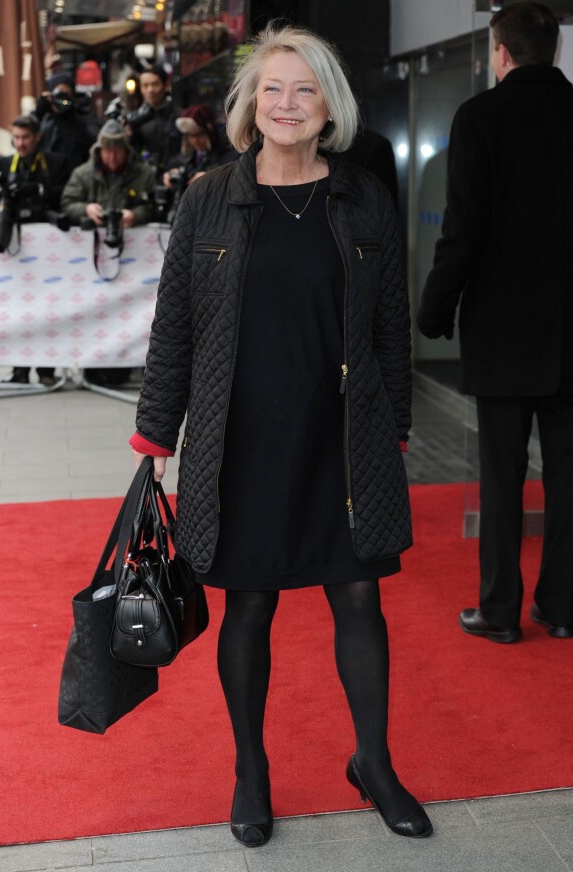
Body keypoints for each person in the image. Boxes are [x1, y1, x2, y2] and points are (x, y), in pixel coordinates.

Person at [130, 23, 433, 847]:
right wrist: (156, 432)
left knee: (360, 596)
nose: (288, 103)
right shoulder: (209, 196)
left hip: (343, 429)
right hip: (243, 434)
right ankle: (250, 770)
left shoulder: (363, 193)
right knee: (250, 605)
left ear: (327, 102)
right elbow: (175, 327)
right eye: (273, 89)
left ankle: (372, 761)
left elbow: (387, 327)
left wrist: (396, 422)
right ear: (250, 106)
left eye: (304, 89)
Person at [417, 2, 573, 643]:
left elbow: (464, 231)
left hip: (502, 330)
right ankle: (562, 609)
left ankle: (500, 612)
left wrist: (434, 309)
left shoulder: (479, 118)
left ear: (501, 52)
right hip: (571, 333)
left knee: (501, 475)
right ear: (554, 51)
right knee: (568, 477)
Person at [61, 119, 156, 388]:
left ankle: (133, 362)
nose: (112, 156)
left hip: (135, 261)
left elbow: (156, 206)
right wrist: (86, 209)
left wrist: (135, 215)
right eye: (107, 150)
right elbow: (67, 202)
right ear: (99, 150)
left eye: (118, 151)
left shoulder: (142, 173)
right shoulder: (84, 173)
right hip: (92, 262)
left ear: (126, 151)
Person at [0, 114, 69, 387]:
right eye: (16, 138)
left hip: (49, 250)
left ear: (37, 137)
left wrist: (37, 189)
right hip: (14, 251)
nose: (20, 143)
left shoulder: (55, 162)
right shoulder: (2, 164)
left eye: (25, 137)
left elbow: (65, 194)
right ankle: (19, 369)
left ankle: (46, 370)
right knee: (16, 308)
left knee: (47, 306)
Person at [35, 72, 97, 175]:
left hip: (75, 173)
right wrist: (38, 114)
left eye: (66, 94)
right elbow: (26, 139)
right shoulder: (45, 116)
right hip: (48, 174)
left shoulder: (84, 113)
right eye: (58, 95)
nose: (62, 100)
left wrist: (72, 115)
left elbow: (94, 139)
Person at [126, 65, 180, 178]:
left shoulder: (178, 116)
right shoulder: (133, 118)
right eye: (145, 85)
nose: (150, 90)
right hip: (142, 176)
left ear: (165, 85)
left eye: (155, 84)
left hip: (173, 174)